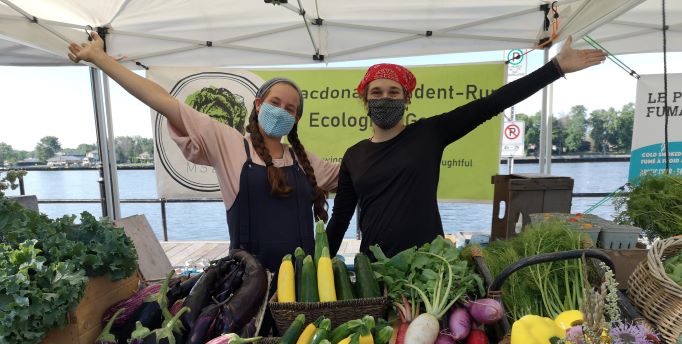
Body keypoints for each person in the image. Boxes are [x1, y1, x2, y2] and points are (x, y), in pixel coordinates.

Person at [68, 32, 339, 274]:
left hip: (306, 284)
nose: (281, 111)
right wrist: (101, 59)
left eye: (290, 109)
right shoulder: (230, 144)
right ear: (258, 105)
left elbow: (361, 171)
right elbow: (164, 102)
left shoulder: (305, 162)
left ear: (296, 119)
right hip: (249, 286)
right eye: (274, 103)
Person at [325, 36, 607, 259]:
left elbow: (490, 104)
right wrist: (316, 263)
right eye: (377, 92)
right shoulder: (354, 155)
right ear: (365, 100)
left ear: (406, 99)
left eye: (393, 92)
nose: (385, 98)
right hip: (375, 267)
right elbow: (340, 220)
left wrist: (554, 68)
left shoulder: (429, 133)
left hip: (431, 262)